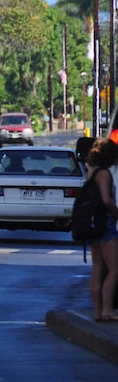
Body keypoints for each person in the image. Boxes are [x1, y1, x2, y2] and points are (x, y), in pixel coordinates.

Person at [84, 138, 118, 322]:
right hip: (106, 224)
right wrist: (117, 212)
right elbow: (106, 200)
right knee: (114, 270)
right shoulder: (104, 174)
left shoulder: (91, 172)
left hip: (93, 224)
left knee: (97, 268)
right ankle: (107, 310)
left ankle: (98, 311)